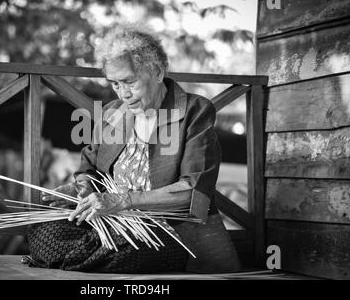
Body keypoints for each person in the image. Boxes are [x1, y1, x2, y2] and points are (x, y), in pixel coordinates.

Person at [26, 24, 241, 273]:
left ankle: (84, 258)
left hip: (165, 232)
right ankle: (89, 256)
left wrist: (123, 201)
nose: (123, 93)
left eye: (129, 81)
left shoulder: (194, 112)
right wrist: (81, 191)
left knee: (130, 249)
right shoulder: (113, 113)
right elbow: (90, 169)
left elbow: (192, 192)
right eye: (115, 84)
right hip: (110, 225)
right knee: (41, 229)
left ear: (158, 72)